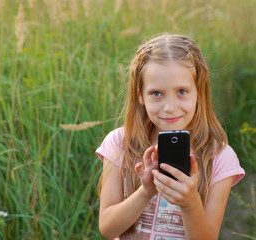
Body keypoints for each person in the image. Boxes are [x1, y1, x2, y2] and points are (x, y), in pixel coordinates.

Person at [96, 34, 245, 240]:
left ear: (199, 93)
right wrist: (145, 191)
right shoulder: (119, 144)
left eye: (182, 91)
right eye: (156, 93)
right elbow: (107, 229)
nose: (169, 107)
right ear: (140, 95)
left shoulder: (219, 157)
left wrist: (190, 203)